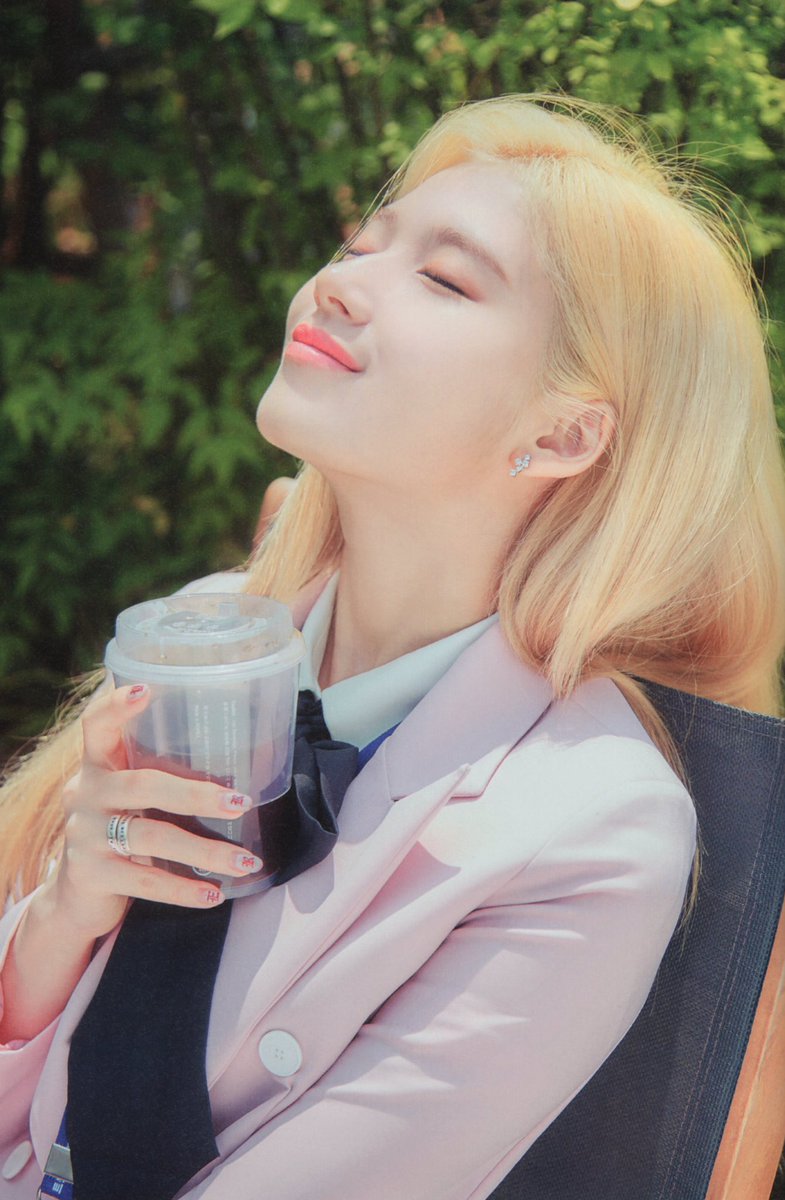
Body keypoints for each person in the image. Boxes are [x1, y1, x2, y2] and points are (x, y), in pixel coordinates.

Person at [1, 93, 784, 1200]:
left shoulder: (590, 824)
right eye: (361, 245)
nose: (338, 282)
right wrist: (56, 927)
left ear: (563, 432)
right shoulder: (212, 630)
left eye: (444, 279)